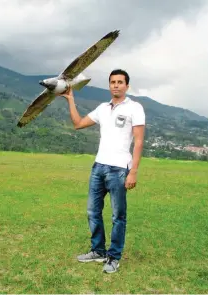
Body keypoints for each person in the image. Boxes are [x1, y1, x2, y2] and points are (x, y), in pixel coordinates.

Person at [60, 69, 146, 273]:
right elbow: (78, 124)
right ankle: (98, 251)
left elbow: (139, 141)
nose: (116, 85)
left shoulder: (135, 108)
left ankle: (113, 257)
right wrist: (70, 99)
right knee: (92, 212)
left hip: (119, 169)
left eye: (120, 82)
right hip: (98, 166)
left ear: (127, 86)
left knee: (118, 216)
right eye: (112, 82)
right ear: (109, 85)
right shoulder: (102, 109)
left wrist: (133, 172)